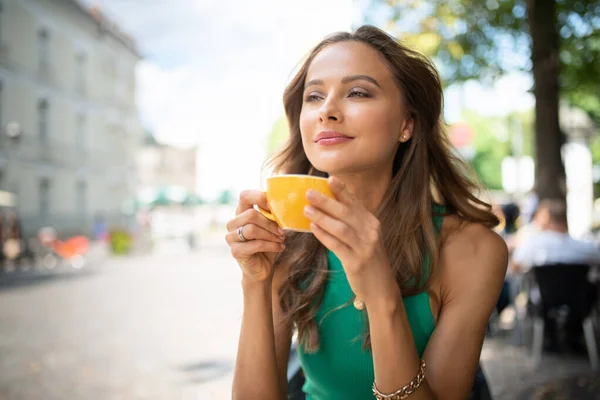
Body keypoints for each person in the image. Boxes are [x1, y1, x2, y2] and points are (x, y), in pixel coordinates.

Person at [225, 25, 507, 400]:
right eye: (314, 96)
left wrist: (381, 294)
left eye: (357, 92)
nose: (327, 110)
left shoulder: (472, 249)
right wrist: (255, 283)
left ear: (407, 124)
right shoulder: (287, 242)